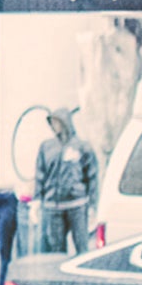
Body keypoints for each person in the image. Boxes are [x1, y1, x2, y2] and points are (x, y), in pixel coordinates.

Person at [34, 109, 99, 255]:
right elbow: (40, 174)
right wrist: (37, 199)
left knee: (82, 246)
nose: (55, 126)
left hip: (77, 204)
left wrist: (93, 205)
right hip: (53, 206)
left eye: (57, 122)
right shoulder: (47, 147)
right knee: (56, 249)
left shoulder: (82, 147)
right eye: (53, 123)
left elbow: (92, 176)